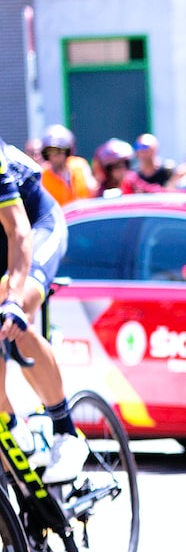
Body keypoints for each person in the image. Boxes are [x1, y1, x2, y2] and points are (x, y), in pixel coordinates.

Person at [0, 141, 87, 482]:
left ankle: (67, 433)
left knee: (13, 309)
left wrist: (13, 300)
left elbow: (19, 232)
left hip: (35, 225)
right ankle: (10, 427)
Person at [38, 127, 95, 206]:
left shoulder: (80, 165)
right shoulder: (43, 175)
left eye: (59, 151)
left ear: (67, 151)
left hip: (84, 215)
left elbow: (92, 187)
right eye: (50, 151)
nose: (55, 156)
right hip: (60, 217)